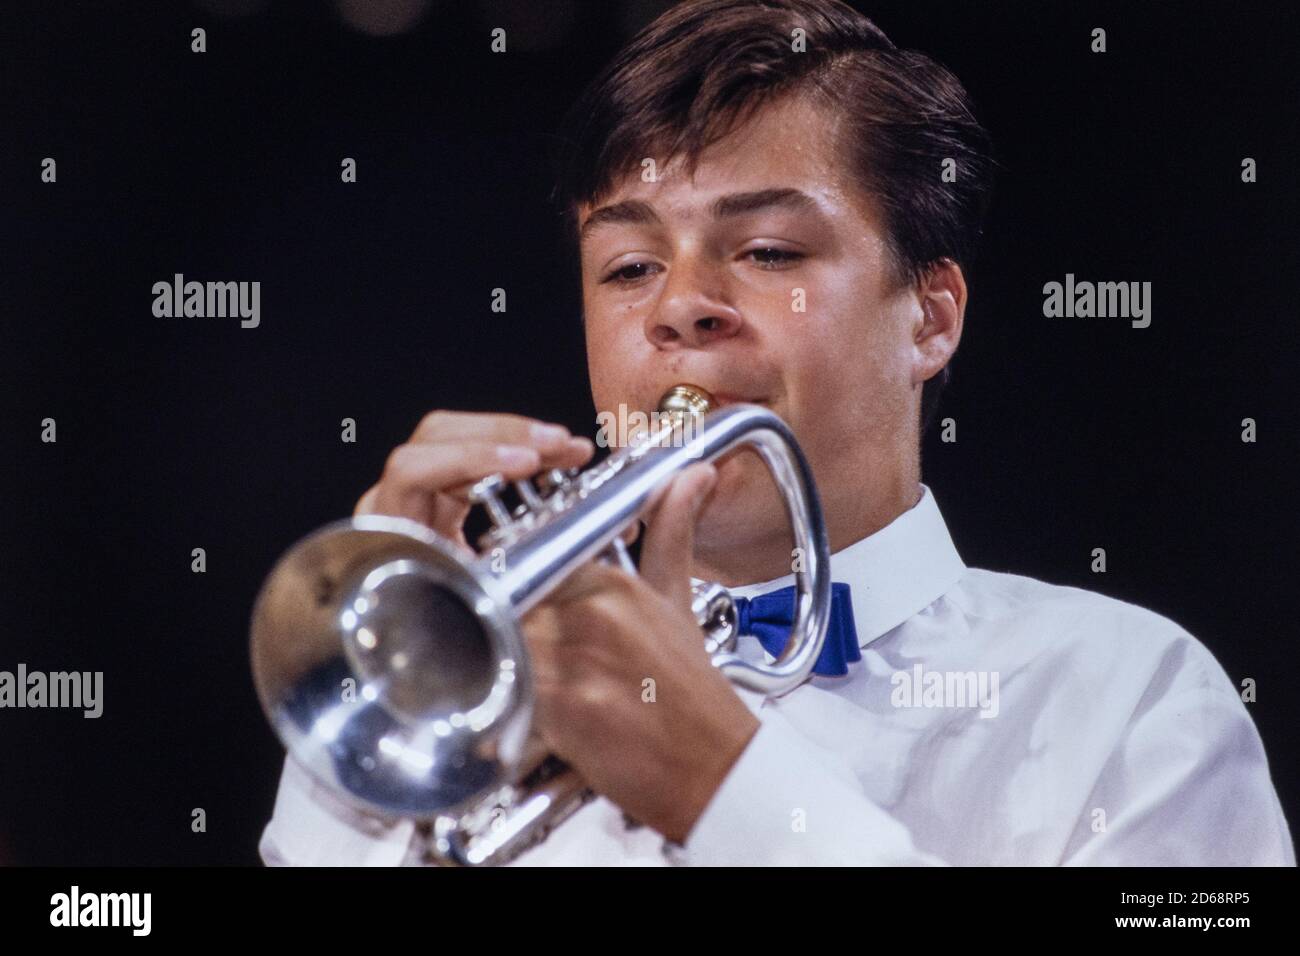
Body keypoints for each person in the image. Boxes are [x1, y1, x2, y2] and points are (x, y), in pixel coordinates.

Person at [259, 0, 1295, 866]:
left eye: (763, 249)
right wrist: (383, 717)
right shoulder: (484, 715)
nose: (679, 306)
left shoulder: (1138, 698)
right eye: (627, 268)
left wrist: (721, 781)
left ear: (929, 318)